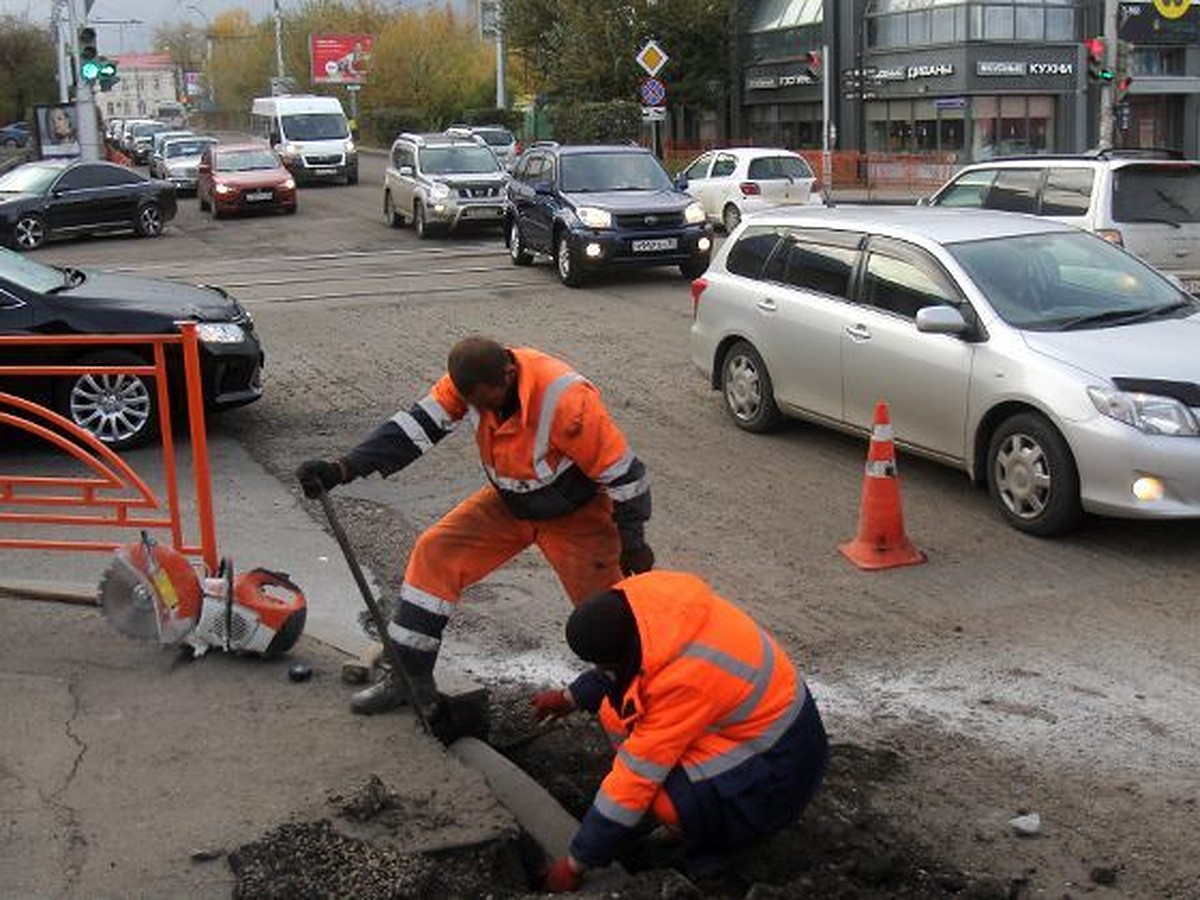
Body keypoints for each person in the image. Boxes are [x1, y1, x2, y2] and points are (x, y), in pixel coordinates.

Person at [296, 336, 654, 718]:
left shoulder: (565, 399)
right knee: (436, 553)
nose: (483, 411)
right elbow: (414, 430)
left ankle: (644, 704)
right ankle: (408, 679)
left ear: (509, 374)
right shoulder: (469, 385)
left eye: (490, 401)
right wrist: (343, 468)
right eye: (475, 405)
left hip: (578, 517)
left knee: (611, 615)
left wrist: (632, 542)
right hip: (509, 503)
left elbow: (626, 476)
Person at [532, 570, 828, 893]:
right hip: (756, 725)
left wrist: (576, 862)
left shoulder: (684, 679)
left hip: (783, 765)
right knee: (615, 711)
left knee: (663, 798)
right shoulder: (639, 603)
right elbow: (621, 670)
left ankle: (717, 842)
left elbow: (637, 775)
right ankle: (672, 810)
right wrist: (568, 698)